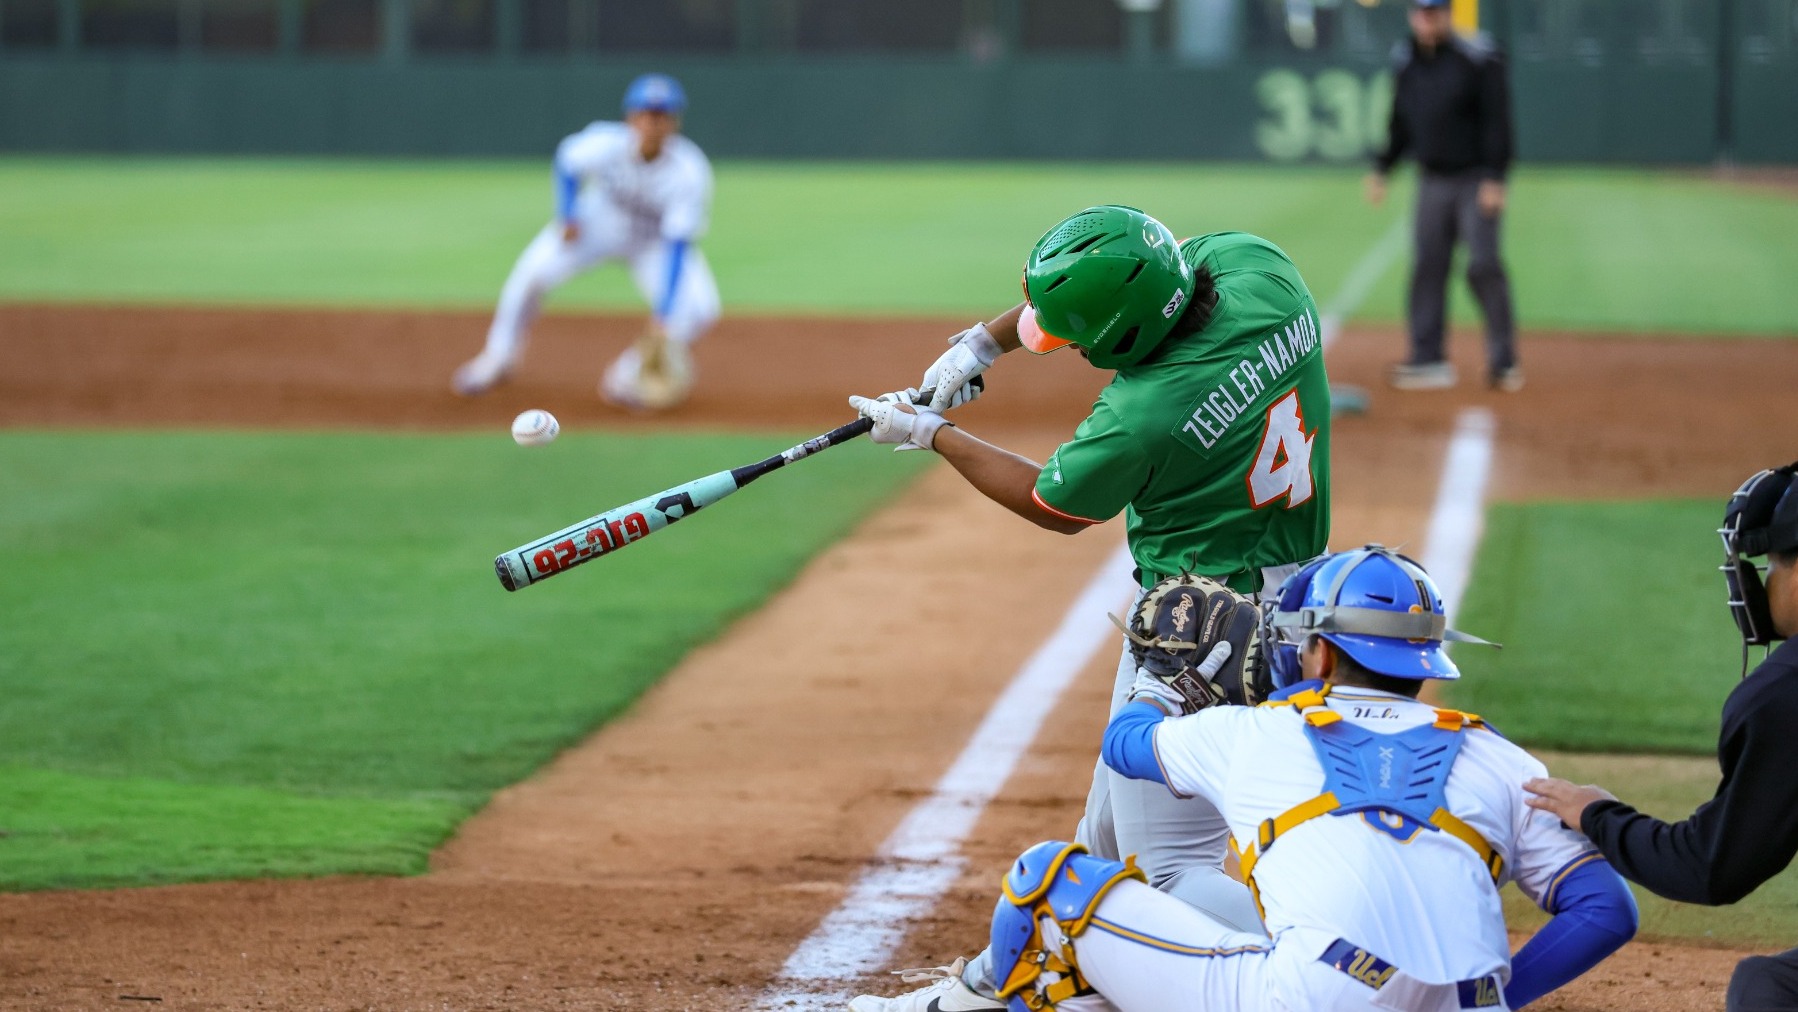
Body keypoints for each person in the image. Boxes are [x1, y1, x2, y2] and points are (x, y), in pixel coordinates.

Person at [846, 205, 1332, 1011]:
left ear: (1124, 338)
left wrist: (930, 433)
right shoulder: (1261, 270)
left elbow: (1054, 504)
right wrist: (982, 344)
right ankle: (1005, 992)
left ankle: (1344, 973)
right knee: (1105, 839)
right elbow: (1133, 280)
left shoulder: (1145, 412)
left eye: (1078, 339)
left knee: (1168, 872)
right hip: (1290, 595)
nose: (1067, 347)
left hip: (1202, 633)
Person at [986, 546, 1638, 1012]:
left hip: (1308, 996)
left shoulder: (1257, 733)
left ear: (1321, 654)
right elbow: (1607, 910)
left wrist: (1166, 682)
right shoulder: (1504, 761)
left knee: (1048, 883)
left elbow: (1125, 745)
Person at [1525, 463, 1798, 1012]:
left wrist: (1597, 815)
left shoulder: (1785, 693)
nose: (1763, 582)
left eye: (1771, 563)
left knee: (1765, 990)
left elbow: (1711, 867)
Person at [452, 73, 720, 410]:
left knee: (699, 310)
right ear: (631, 117)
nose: (653, 122)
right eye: (647, 113)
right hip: (600, 222)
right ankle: (498, 358)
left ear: (675, 122)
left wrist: (663, 313)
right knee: (531, 274)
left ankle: (627, 376)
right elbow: (567, 161)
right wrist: (567, 214)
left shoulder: (690, 170)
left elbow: (678, 242)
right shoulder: (606, 142)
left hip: (653, 241)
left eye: (662, 115)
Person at [1366, 0, 1520, 393]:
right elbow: (1401, 121)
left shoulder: (1478, 57)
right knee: (1428, 268)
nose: (1426, 19)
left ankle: (1503, 360)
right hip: (1431, 179)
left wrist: (1495, 176)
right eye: (1420, 11)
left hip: (1474, 178)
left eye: (1433, 11)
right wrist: (1383, 166)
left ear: (1448, 15)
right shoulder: (1406, 60)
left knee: (1483, 265)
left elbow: (1497, 120)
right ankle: (1427, 357)